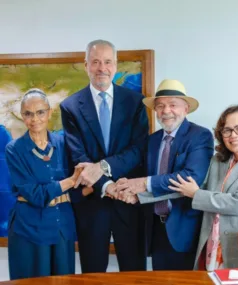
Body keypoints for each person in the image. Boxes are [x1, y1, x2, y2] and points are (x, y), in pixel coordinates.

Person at [59, 39, 149, 273]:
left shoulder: (136, 102)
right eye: (96, 62)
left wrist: (104, 167)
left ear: (116, 65)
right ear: (86, 65)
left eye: (107, 62)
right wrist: (107, 186)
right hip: (92, 203)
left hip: (129, 200)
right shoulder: (70, 106)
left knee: (134, 273)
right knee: (93, 273)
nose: (102, 68)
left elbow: (138, 149)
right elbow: (78, 155)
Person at [116, 79, 214, 270]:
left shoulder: (200, 136)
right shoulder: (152, 140)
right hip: (156, 229)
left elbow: (191, 177)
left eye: (172, 105)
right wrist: (131, 191)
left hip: (185, 230)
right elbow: (147, 178)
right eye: (160, 106)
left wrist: (143, 183)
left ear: (186, 108)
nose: (166, 111)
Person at [169, 105, 238, 270]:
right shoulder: (218, 161)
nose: (233, 135)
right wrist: (140, 191)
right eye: (227, 130)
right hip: (212, 243)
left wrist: (197, 194)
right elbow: (187, 188)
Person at [6, 89, 80, 280]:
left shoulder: (64, 143)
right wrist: (69, 182)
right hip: (29, 228)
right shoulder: (14, 150)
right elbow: (35, 194)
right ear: (22, 116)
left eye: (40, 112)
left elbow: (83, 180)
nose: (34, 118)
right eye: (28, 113)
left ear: (49, 112)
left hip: (62, 225)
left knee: (64, 281)